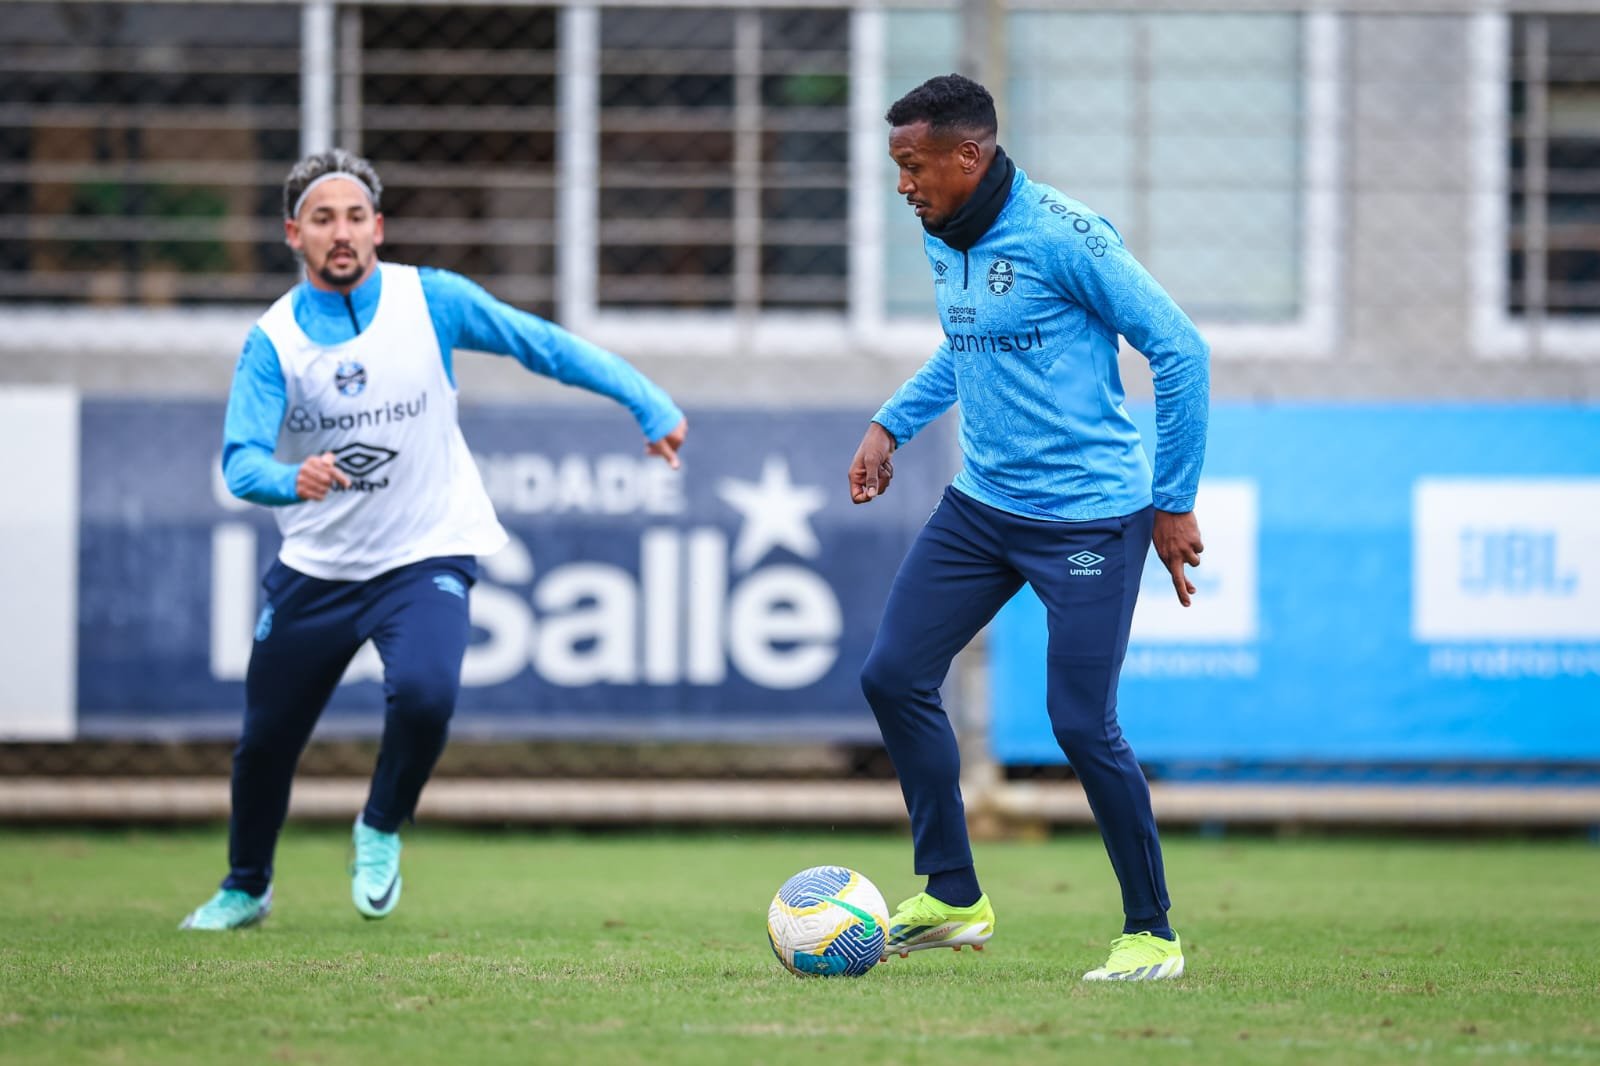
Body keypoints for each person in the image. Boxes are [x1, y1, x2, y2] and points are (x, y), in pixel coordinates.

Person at [181, 148, 687, 930]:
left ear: (378, 228)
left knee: (426, 693)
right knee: (266, 742)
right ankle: (246, 886)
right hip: (316, 568)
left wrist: (646, 399)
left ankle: (380, 824)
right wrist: (292, 479)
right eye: (323, 220)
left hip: (424, 552)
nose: (340, 233)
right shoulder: (275, 342)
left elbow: (540, 344)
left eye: (354, 217)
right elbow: (240, 462)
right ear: (293, 235)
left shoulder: (432, 300)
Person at [848, 74, 1209, 981]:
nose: (904, 185)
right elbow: (966, 345)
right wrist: (891, 422)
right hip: (982, 508)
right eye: (898, 167)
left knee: (1080, 723)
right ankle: (953, 897)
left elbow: (1180, 348)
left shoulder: (1064, 235)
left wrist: (1172, 499)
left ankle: (1152, 934)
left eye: (914, 165)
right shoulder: (946, 234)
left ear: (969, 156)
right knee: (893, 676)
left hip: (1089, 514)